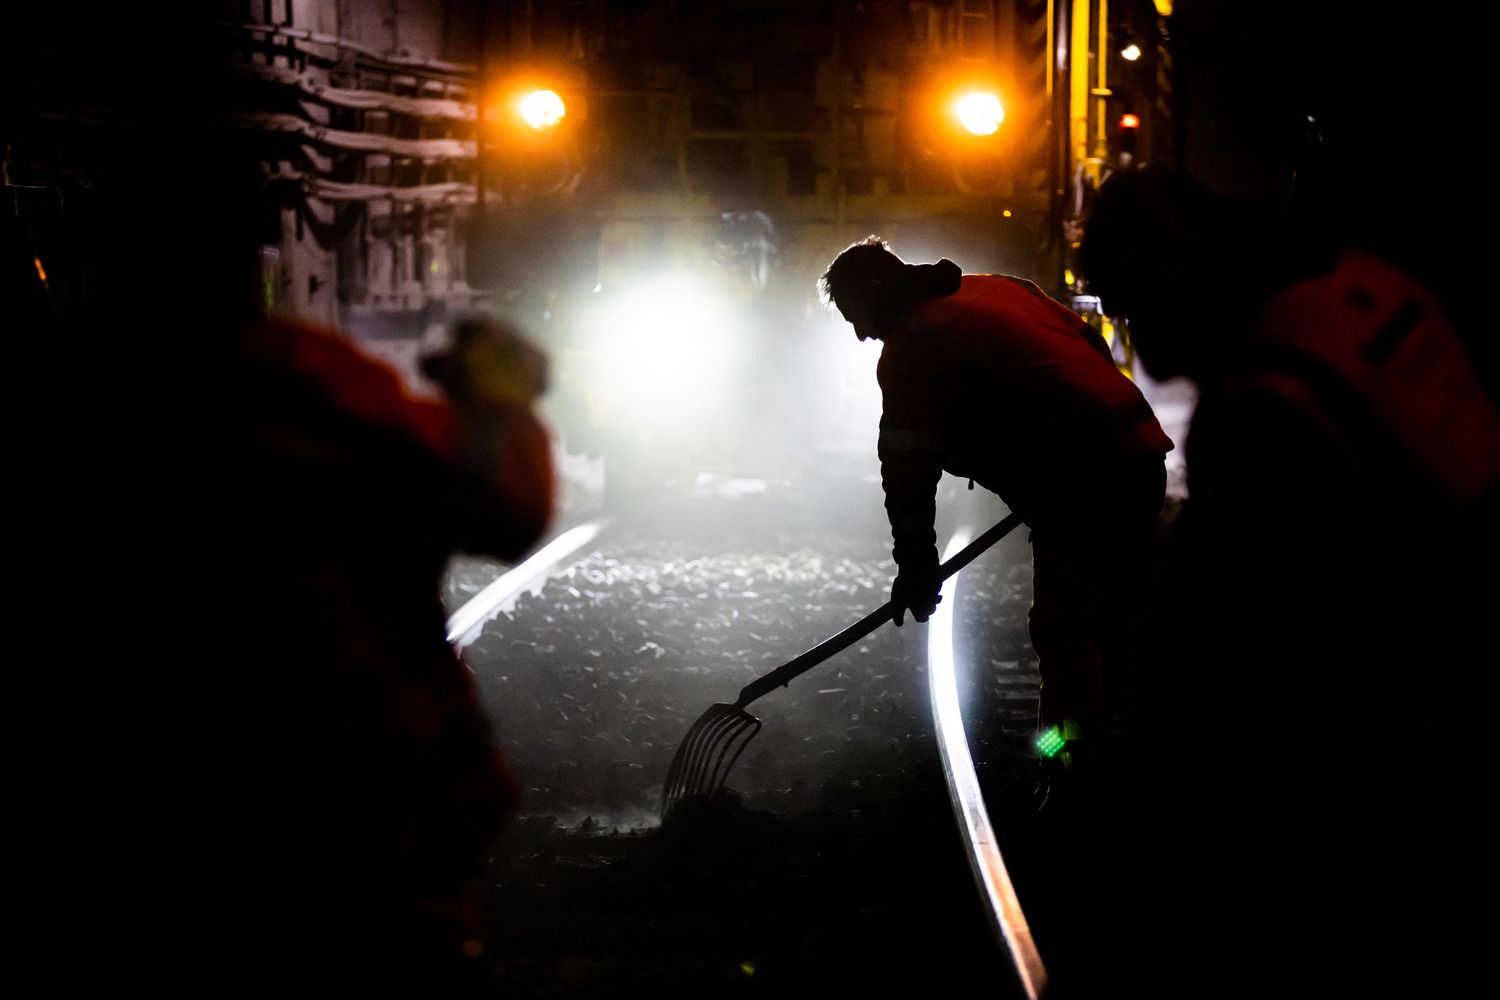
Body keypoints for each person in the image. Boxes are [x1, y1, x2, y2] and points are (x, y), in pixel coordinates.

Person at [1077, 164, 1500, 997]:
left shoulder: (1265, 406)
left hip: (1404, 739)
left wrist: (1128, 827)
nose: (1143, 346)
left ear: (1176, 282)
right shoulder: (1363, 285)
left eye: (1135, 308)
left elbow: (1224, 663)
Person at [817, 237, 1174, 759]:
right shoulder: (1000, 288)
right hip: (1138, 453)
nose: (860, 333)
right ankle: (1119, 751)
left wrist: (916, 567)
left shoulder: (909, 348)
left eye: (856, 316)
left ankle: (1066, 760)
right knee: (1114, 621)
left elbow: (907, 471)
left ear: (874, 289)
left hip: (1084, 482)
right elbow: (1087, 347)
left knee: (1062, 629)